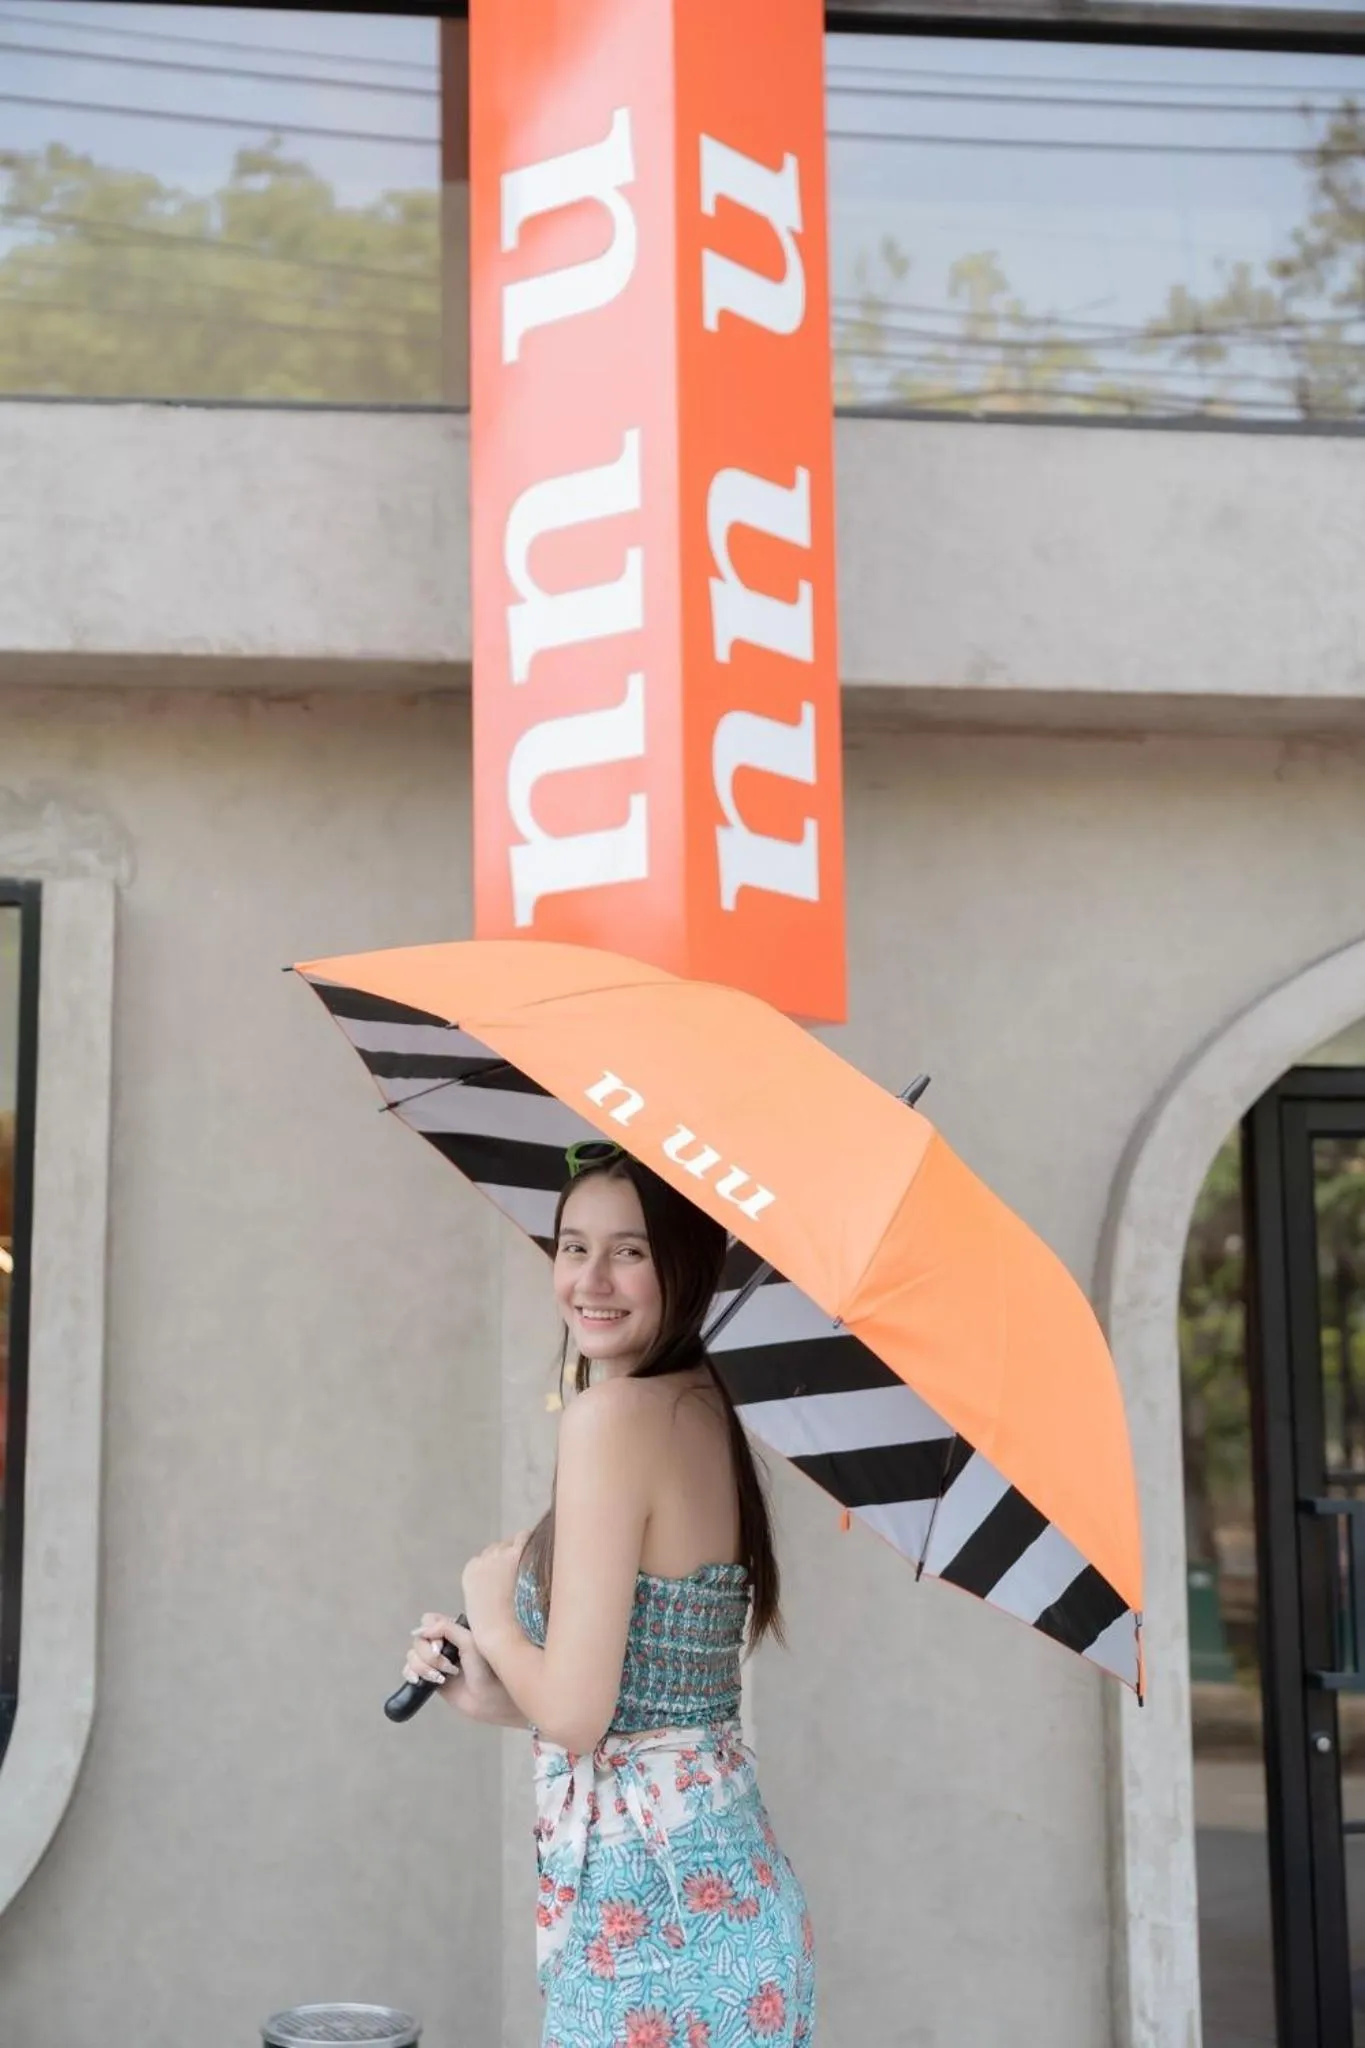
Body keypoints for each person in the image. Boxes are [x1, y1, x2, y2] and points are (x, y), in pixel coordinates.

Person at [400, 1141, 815, 2047]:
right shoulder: (702, 1406)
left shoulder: (612, 1419)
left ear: (687, 1265)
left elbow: (583, 1720)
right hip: (727, 1902)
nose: (591, 1278)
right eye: (572, 1245)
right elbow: (649, 1708)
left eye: (629, 1250)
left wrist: (496, 1609)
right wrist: (496, 1692)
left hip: (653, 1922)